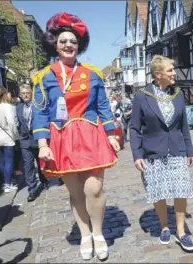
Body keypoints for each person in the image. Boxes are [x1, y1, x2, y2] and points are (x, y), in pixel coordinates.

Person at [32, 12, 121, 261]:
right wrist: (42, 145)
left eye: (72, 41)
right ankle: (84, 234)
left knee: (94, 189)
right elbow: (40, 112)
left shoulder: (92, 73)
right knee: (75, 192)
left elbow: (103, 106)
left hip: (91, 135)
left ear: (79, 45)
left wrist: (111, 134)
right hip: (62, 139)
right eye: (63, 41)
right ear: (55, 45)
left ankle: (99, 233)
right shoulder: (45, 76)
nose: (68, 45)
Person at [130, 55, 193, 251]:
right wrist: (137, 154)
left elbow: (183, 125)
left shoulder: (178, 95)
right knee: (158, 192)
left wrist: (189, 150)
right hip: (152, 152)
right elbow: (134, 128)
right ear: (158, 74)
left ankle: (182, 232)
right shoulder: (142, 96)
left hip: (177, 150)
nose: (174, 73)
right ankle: (165, 226)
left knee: (180, 190)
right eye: (170, 70)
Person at [16, 84, 49, 202]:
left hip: (37, 139)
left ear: (31, 94)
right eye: (23, 93)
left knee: (41, 163)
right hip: (25, 141)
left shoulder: (37, 106)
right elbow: (18, 123)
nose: (25, 95)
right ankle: (32, 190)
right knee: (28, 166)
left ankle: (44, 180)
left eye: (27, 93)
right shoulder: (18, 108)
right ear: (20, 95)